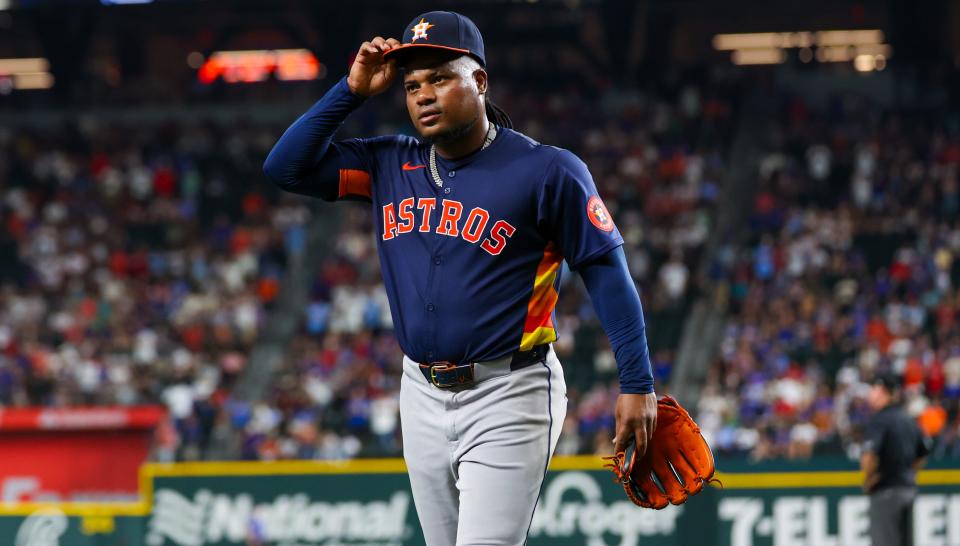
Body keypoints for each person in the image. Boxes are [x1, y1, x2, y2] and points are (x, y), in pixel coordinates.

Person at [263, 10, 656, 545]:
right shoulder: (388, 165)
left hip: (509, 390)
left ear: (480, 80)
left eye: (441, 77)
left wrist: (637, 383)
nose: (424, 94)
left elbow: (607, 272)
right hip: (418, 392)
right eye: (412, 85)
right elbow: (284, 168)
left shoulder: (547, 170)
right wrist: (350, 91)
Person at [861, 372, 930, 546]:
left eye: (874, 389)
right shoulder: (908, 419)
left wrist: (869, 479)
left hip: (886, 491)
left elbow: (869, 456)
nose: (871, 393)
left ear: (882, 391)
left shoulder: (880, 419)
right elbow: (922, 454)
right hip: (908, 489)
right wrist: (906, 473)